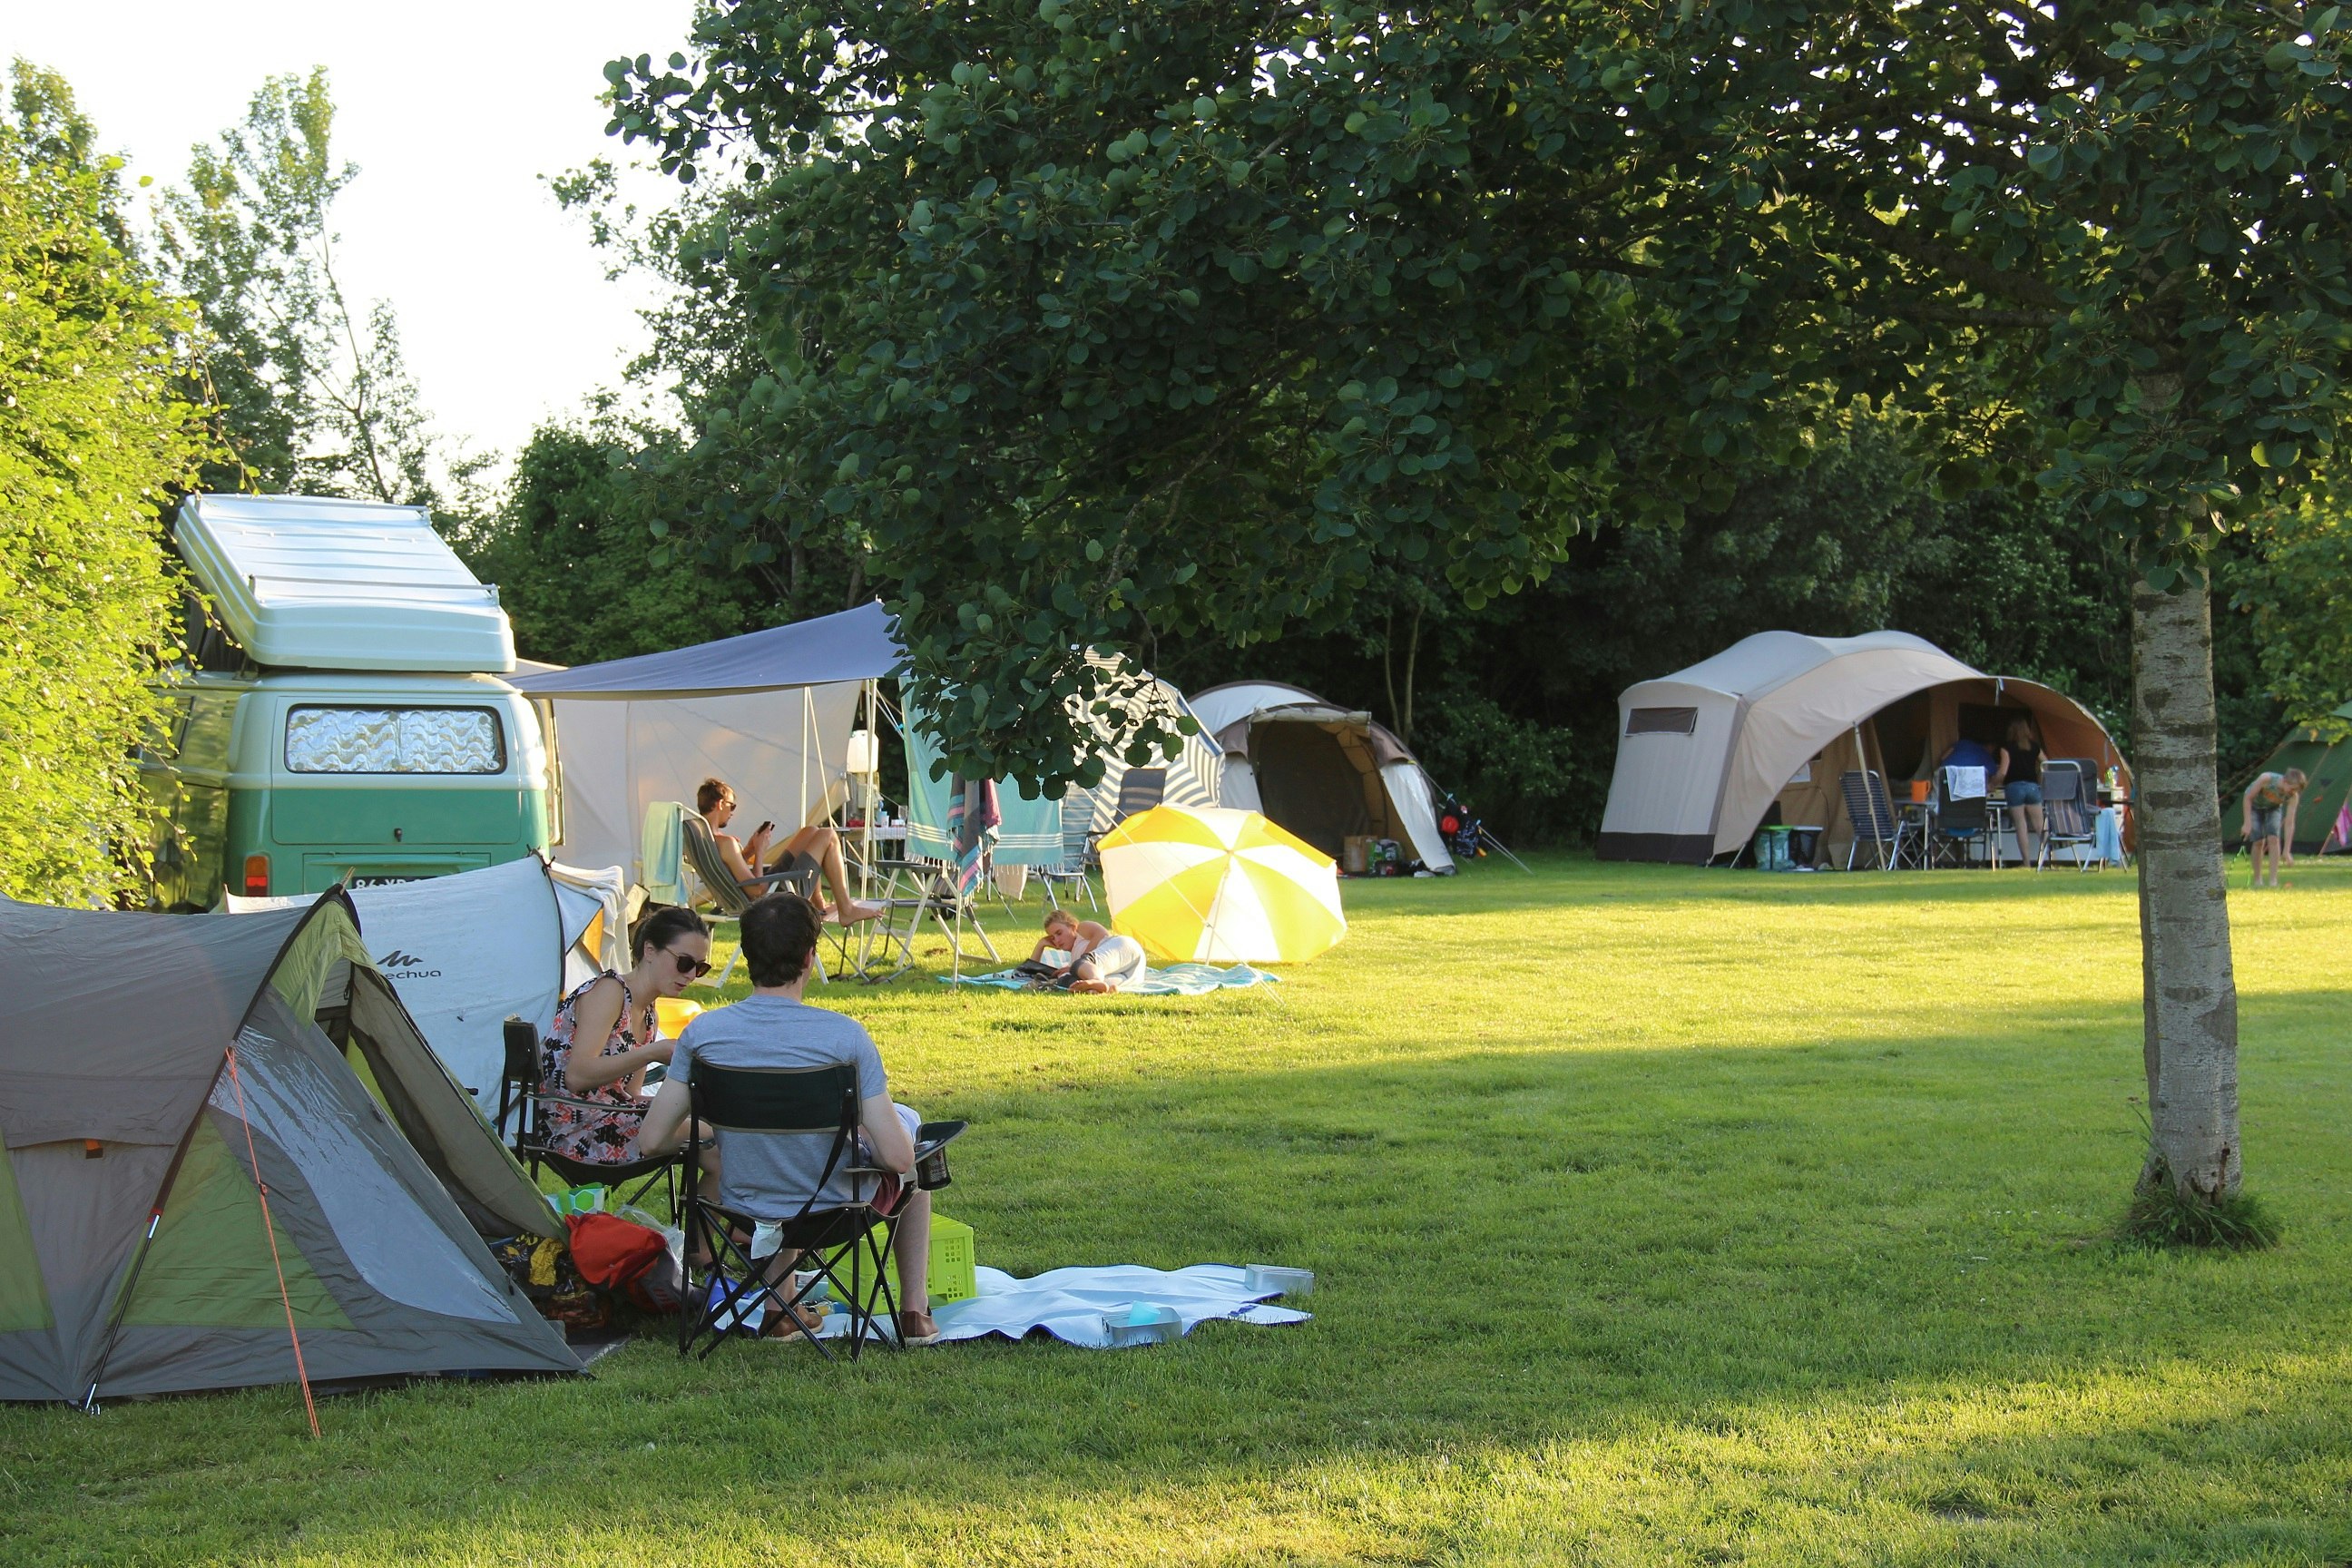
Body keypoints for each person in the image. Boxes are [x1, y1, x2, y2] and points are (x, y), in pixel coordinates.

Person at [640, 892, 941, 1346]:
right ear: (809, 957)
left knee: (778, 1157)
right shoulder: (844, 1039)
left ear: (746, 955)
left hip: (742, 1203)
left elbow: (651, 1140)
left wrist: (718, 1141)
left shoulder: (702, 1035)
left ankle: (780, 1307)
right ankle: (915, 1311)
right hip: (833, 1210)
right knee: (914, 1166)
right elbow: (897, 1159)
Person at [539, 906, 711, 1167]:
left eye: (700, 968)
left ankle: (706, 1208)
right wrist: (653, 1052)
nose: (690, 975)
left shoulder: (649, 1014)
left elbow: (629, 1095)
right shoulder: (610, 991)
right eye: (684, 962)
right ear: (650, 951)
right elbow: (577, 1076)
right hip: (572, 1131)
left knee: (715, 1139)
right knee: (714, 1137)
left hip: (610, 1117)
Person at [696, 778, 883, 925]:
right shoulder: (727, 842)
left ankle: (819, 904)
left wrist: (748, 851)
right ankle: (847, 910)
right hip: (773, 897)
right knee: (828, 836)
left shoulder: (705, 840)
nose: (732, 811)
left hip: (770, 883)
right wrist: (760, 851)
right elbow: (756, 892)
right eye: (732, 805)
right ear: (720, 804)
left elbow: (730, 869)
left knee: (809, 831)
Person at [1033, 907, 1147, 995]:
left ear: (1072, 927)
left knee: (1079, 965)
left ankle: (1095, 981)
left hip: (1123, 949)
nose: (1057, 940)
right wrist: (1041, 945)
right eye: (1052, 938)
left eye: (1059, 933)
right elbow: (1029, 970)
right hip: (1128, 972)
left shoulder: (1081, 930)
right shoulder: (1074, 959)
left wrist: (1078, 963)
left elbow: (1102, 933)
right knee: (1065, 979)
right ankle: (1097, 989)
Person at [1992, 717, 2046, 868]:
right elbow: (2046, 764)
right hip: (2032, 787)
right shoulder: (2034, 747)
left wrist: (1992, 784)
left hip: (2014, 787)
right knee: (2040, 825)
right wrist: (2040, 781)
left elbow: (2003, 772)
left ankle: (2027, 863)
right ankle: (2048, 859)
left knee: (2020, 825)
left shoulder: (2006, 748)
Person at [2240, 767, 2308, 887]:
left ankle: (2273, 881)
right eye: (2293, 789)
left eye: (2296, 790)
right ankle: (2258, 880)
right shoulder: (2266, 778)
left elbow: (2290, 823)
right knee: (2258, 842)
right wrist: (2247, 823)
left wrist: (2286, 851)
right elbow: (2248, 798)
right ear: (2285, 781)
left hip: (2273, 808)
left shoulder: (2293, 797)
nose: (2293, 792)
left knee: (2274, 839)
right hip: (2254, 807)